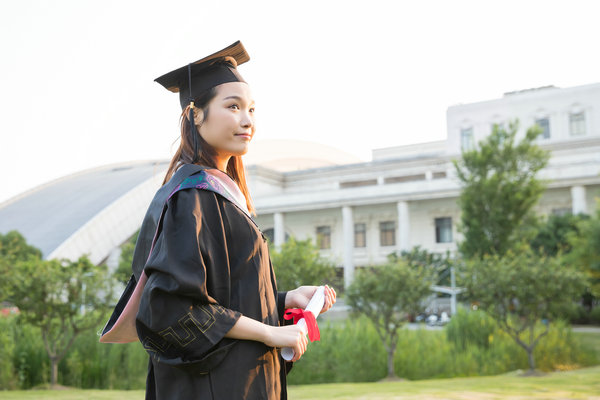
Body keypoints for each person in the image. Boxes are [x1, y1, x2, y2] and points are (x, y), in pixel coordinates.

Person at [121, 41, 336, 400]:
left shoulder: (223, 196)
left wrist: (283, 300)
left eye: (251, 109)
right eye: (232, 106)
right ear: (195, 115)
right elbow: (175, 310)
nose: (247, 120)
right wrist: (270, 332)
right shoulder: (191, 197)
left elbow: (224, 298)